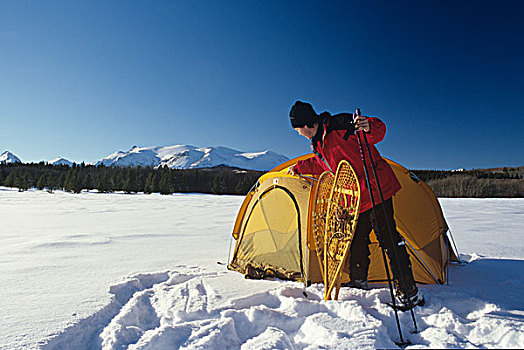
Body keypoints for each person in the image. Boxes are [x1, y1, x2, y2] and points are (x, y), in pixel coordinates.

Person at [288, 100, 424, 310]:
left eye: (297, 129)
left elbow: (377, 132)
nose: (298, 134)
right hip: (356, 198)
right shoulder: (318, 144)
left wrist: (370, 125)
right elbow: (321, 164)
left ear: (306, 125)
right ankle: (359, 280)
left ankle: (409, 292)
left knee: (388, 239)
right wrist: (299, 167)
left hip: (376, 189)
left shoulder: (340, 125)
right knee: (357, 240)